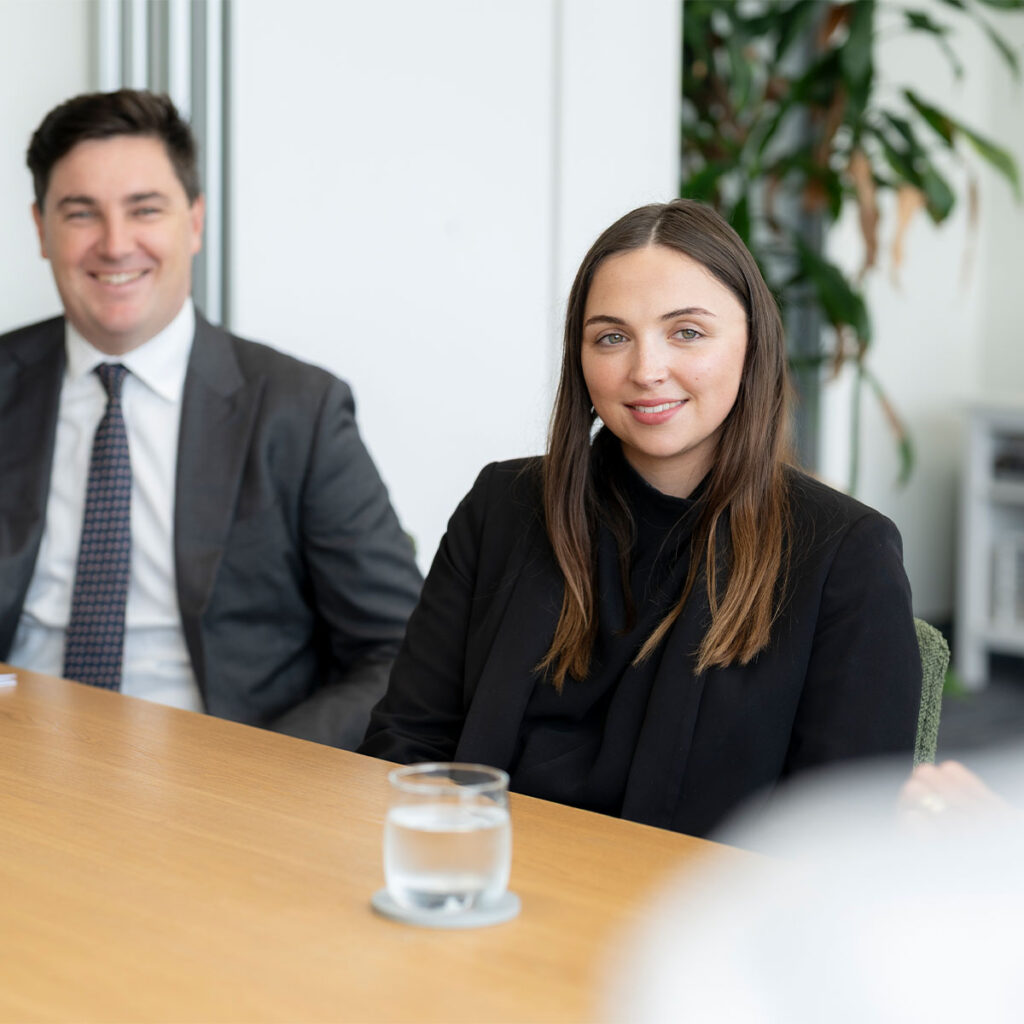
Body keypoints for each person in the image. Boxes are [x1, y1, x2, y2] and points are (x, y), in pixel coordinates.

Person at [360, 198, 920, 837]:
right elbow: (406, 746)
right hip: (476, 897)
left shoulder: (844, 553)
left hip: (690, 930)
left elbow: (842, 844)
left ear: (752, 345)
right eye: (612, 337)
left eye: (687, 332)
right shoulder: (504, 504)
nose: (646, 371)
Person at [0, 89, 422, 749]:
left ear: (193, 222)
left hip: (212, 790)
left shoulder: (298, 410)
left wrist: (255, 771)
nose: (115, 245)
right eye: (81, 213)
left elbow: (398, 649)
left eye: (145, 209)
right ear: (40, 228)